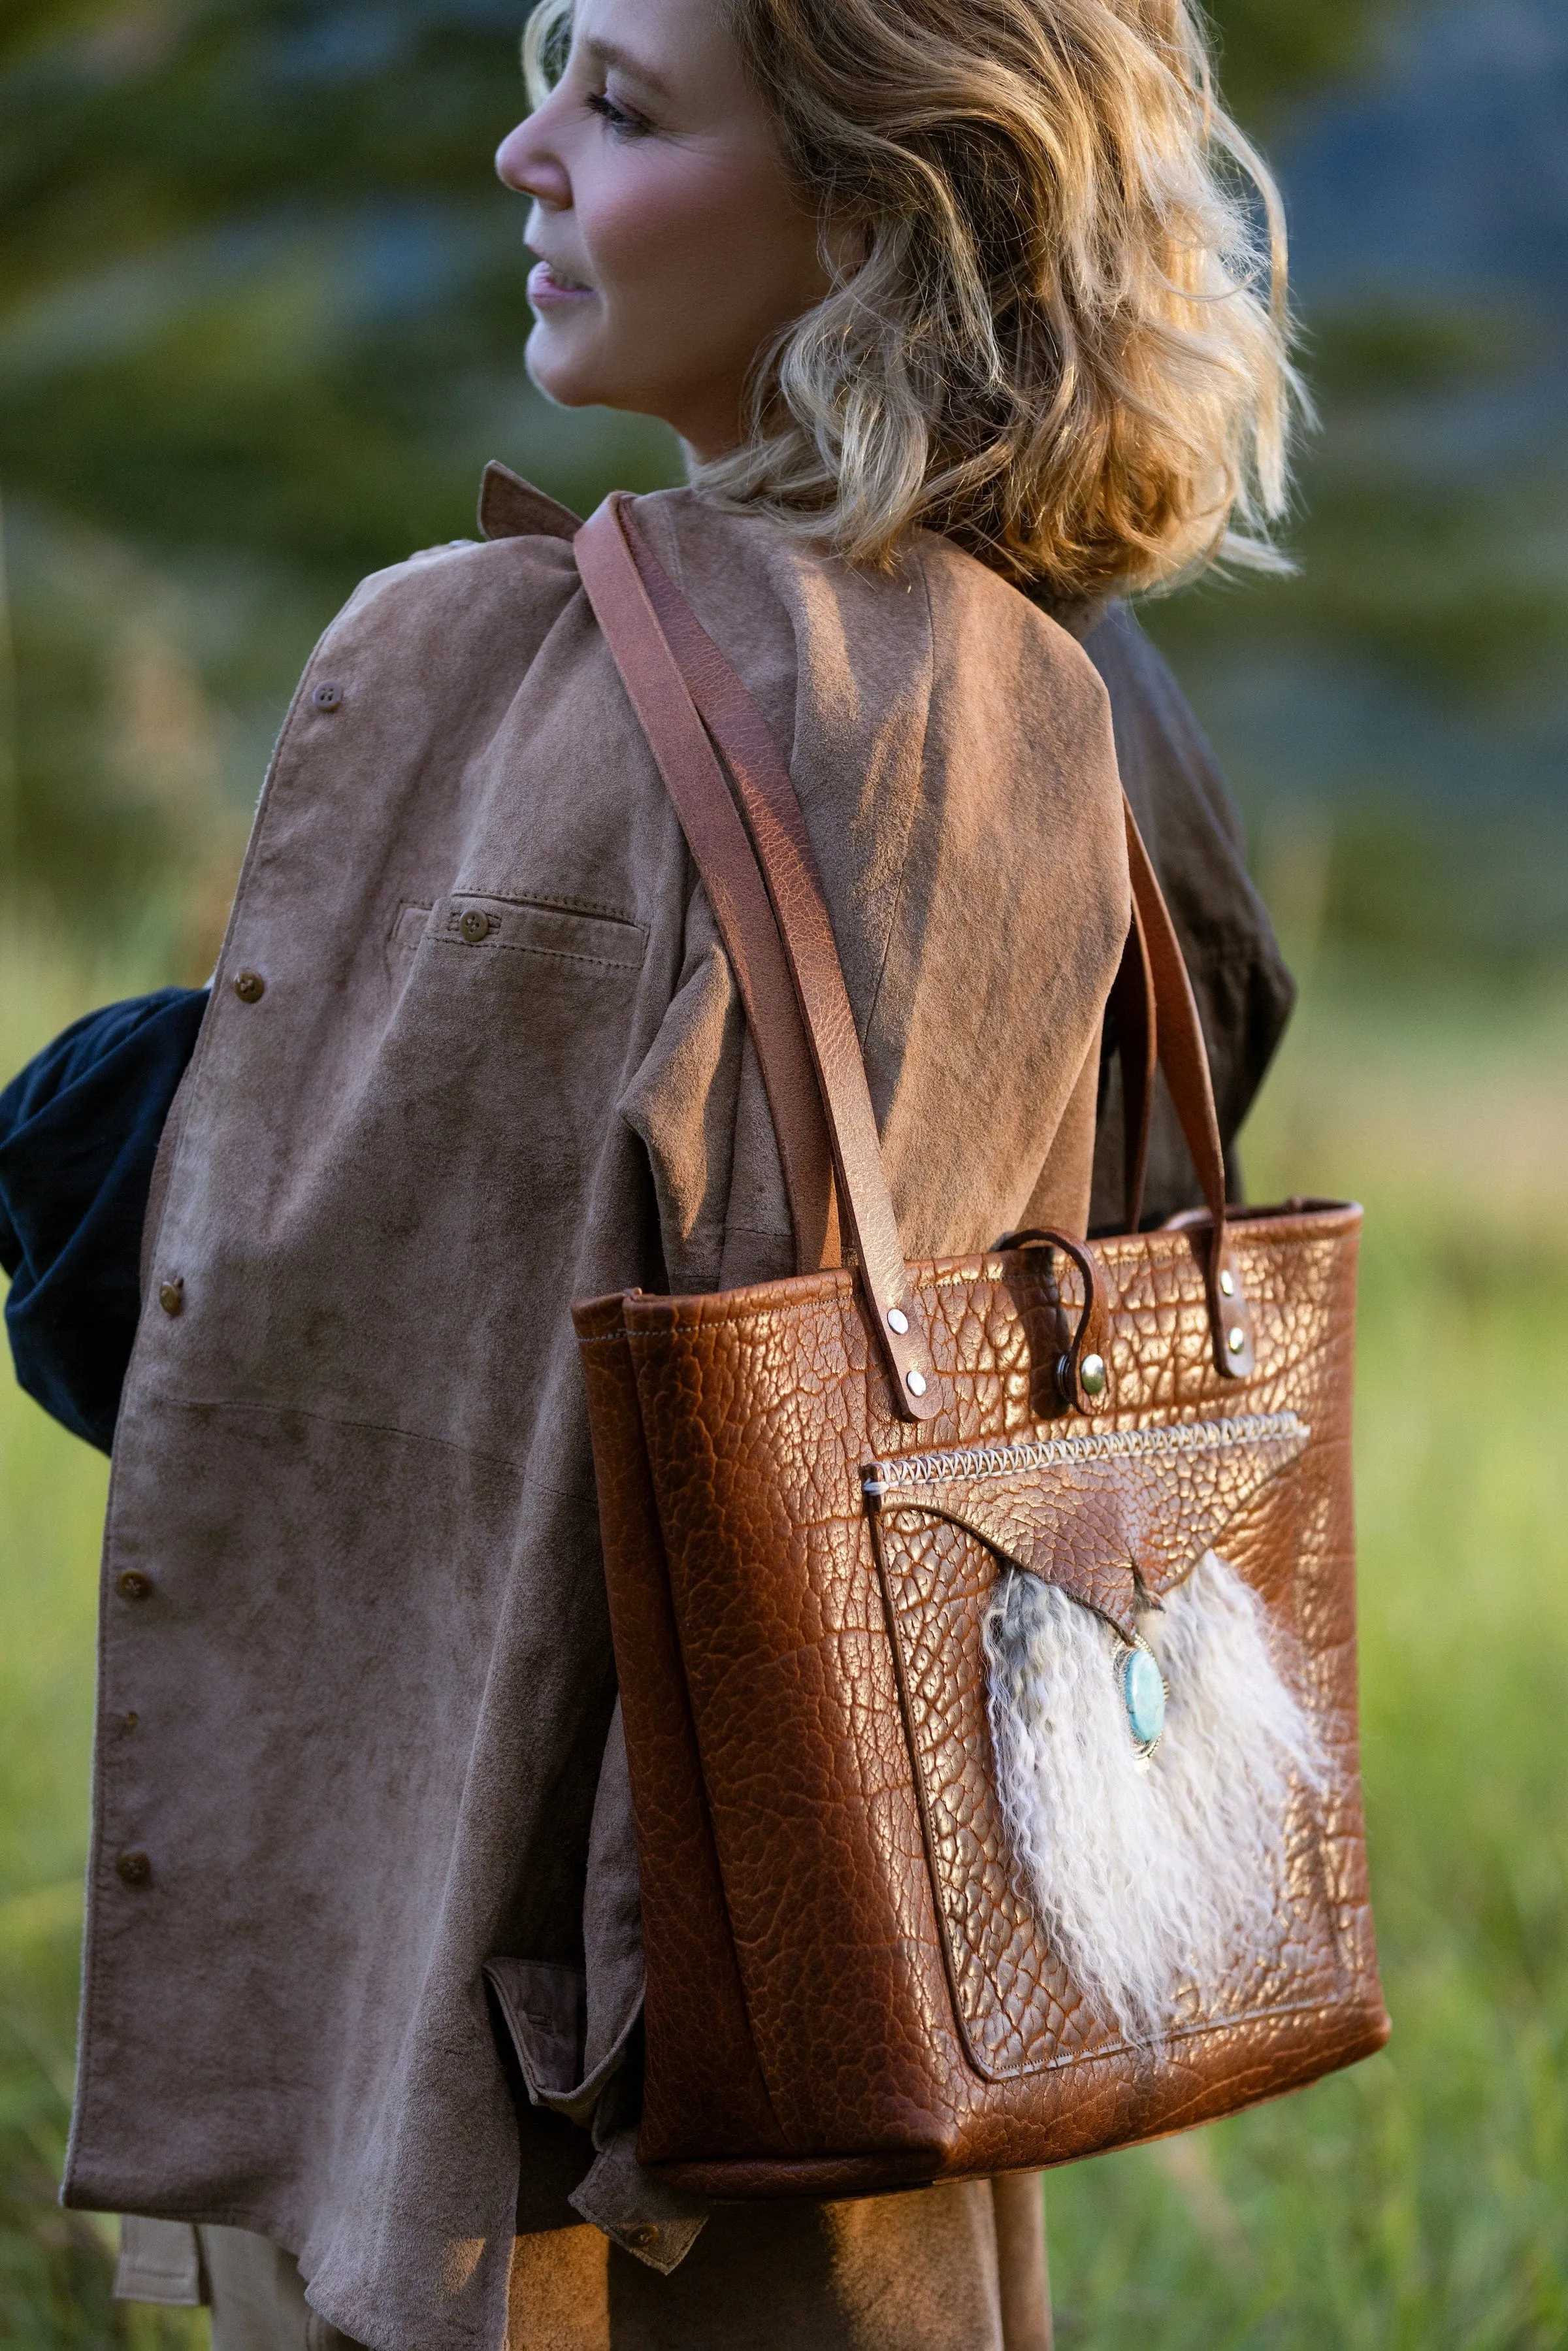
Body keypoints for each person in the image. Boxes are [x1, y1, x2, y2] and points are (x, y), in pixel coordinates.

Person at [0, 0, 1296, 2344]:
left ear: (874, 208)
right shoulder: (1059, 689)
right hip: (867, 1971)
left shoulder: (516, 669)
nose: (527, 151)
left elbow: (280, 1341)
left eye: (619, 101)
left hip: (502, 2045)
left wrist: (75, 1131)